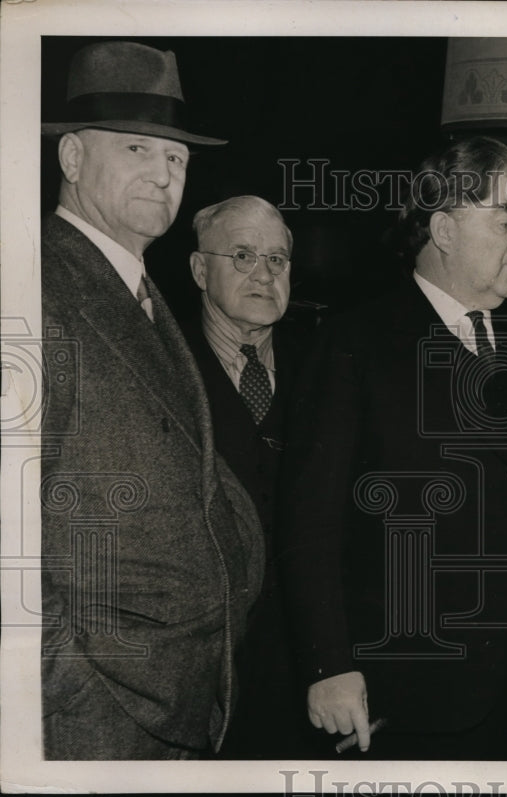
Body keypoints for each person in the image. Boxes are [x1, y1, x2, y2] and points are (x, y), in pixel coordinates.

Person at [280, 136, 507, 760]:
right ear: (444, 229)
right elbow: (310, 521)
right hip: (412, 693)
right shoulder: (354, 344)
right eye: (506, 221)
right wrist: (328, 664)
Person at [39, 41, 263, 759]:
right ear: (72, 157)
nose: (164, 175)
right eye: (137, 148)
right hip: (98, 722)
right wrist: (72, 690)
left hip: (177, 709)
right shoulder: (36, 289)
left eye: (177, 158)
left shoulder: (139, 289)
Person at [183, 195, 318, 758]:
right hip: (201, 676)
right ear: (200, 270)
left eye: (277, 259)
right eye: (242, 256)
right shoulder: (164, 368)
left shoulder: (326, 366)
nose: (264, 275)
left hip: (306, 672)